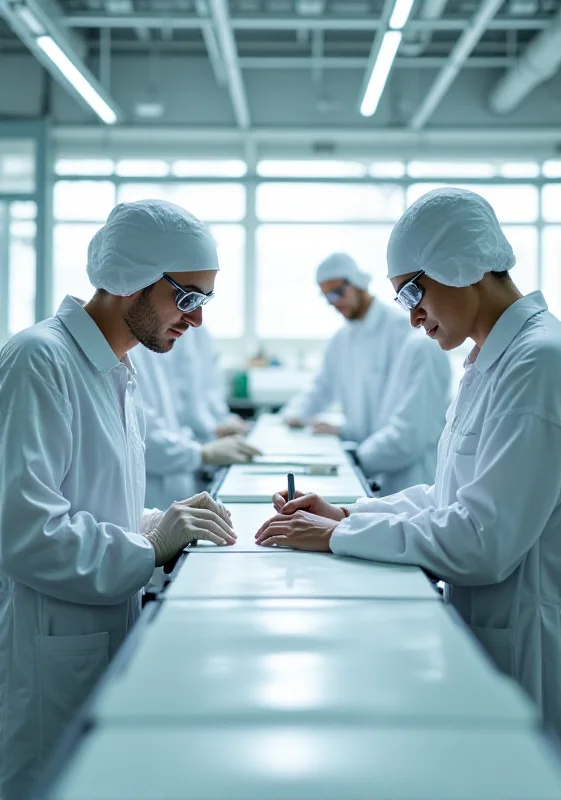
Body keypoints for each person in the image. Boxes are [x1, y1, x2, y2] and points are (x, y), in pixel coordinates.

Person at [256, 187, 561, 775]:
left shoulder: (542, 363)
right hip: (497, 633)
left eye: (415, 289)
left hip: (538, 655)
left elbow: (482, 545)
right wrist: (348, 516)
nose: (410, 312)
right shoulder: (493, 360)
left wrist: (336, 539)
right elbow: (448, 498)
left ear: (459, 265)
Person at [0, 199, 237, 799]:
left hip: (97, 632)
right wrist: (151, 548)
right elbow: (25, 531)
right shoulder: (39, 359)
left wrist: (163, 521)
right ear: (133, 279)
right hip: (46, 647)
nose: (197, 320)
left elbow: (94, 503)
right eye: (187, 299)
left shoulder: (115, 368)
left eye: (205, 301)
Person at [282, 252, 450, 495]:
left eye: (338, 292)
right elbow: (322, 387)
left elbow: (408, 432)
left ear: (358, 283)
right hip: (373, 470)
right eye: (327, 297)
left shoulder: (408, 335)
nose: (334, 302)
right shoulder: (342, 339)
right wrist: (295, 414)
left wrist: (355, 458)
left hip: (412, 478)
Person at [132, 339, 260, 512]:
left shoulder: (155, 345)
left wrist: (209, 438)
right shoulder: (132, 350)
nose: (195, 320)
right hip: (151, 494)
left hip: (177, 481)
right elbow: (142, 438)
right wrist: (202, 452)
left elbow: (181, 408)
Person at [164, 324, 250, 441]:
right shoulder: (167, 331)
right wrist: (214, 429)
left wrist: (224, 421)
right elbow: (186, 401)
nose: (197, 317)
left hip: (197, 437)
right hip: (185, 438)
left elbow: (205, 390)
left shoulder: (199, 331)